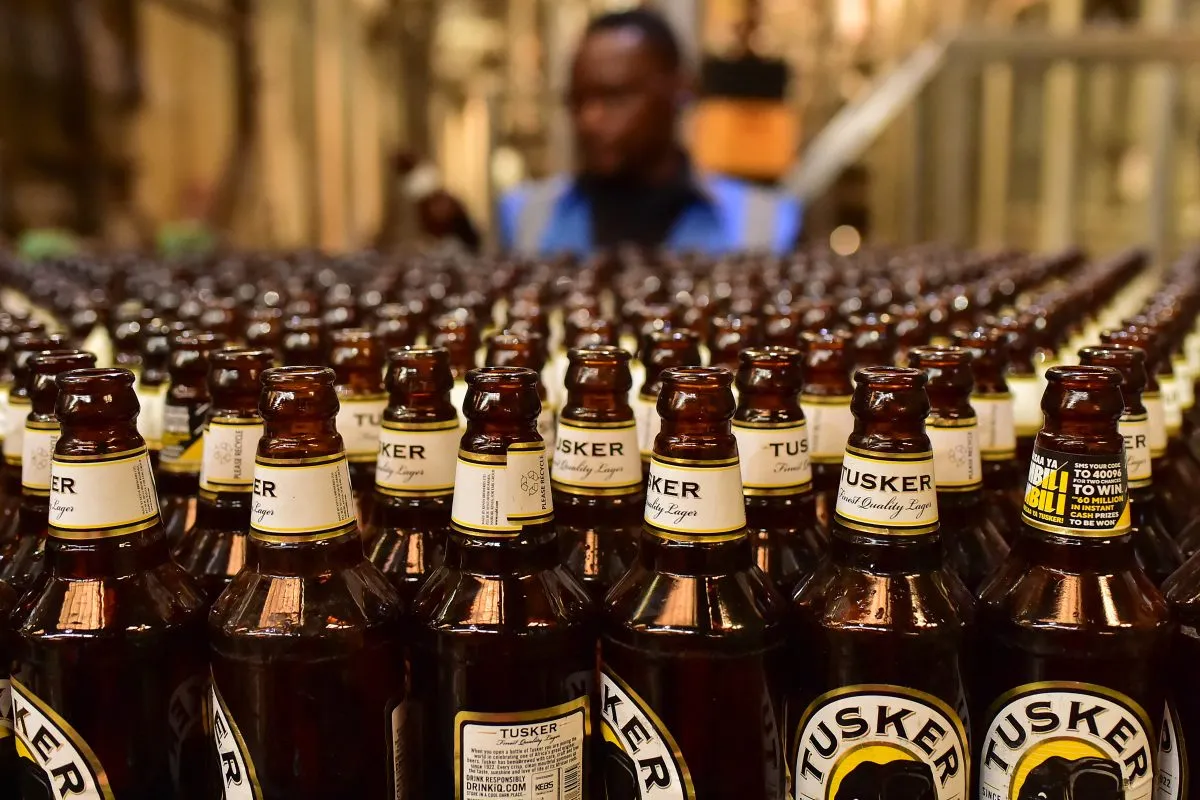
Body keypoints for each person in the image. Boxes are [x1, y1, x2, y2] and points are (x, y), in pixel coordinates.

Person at [498, 9, 801, 257]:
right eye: (578, 100)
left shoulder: (766, 223)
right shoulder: (526, 217)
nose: (589, 120)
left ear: (680, 91)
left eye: (615, 98)